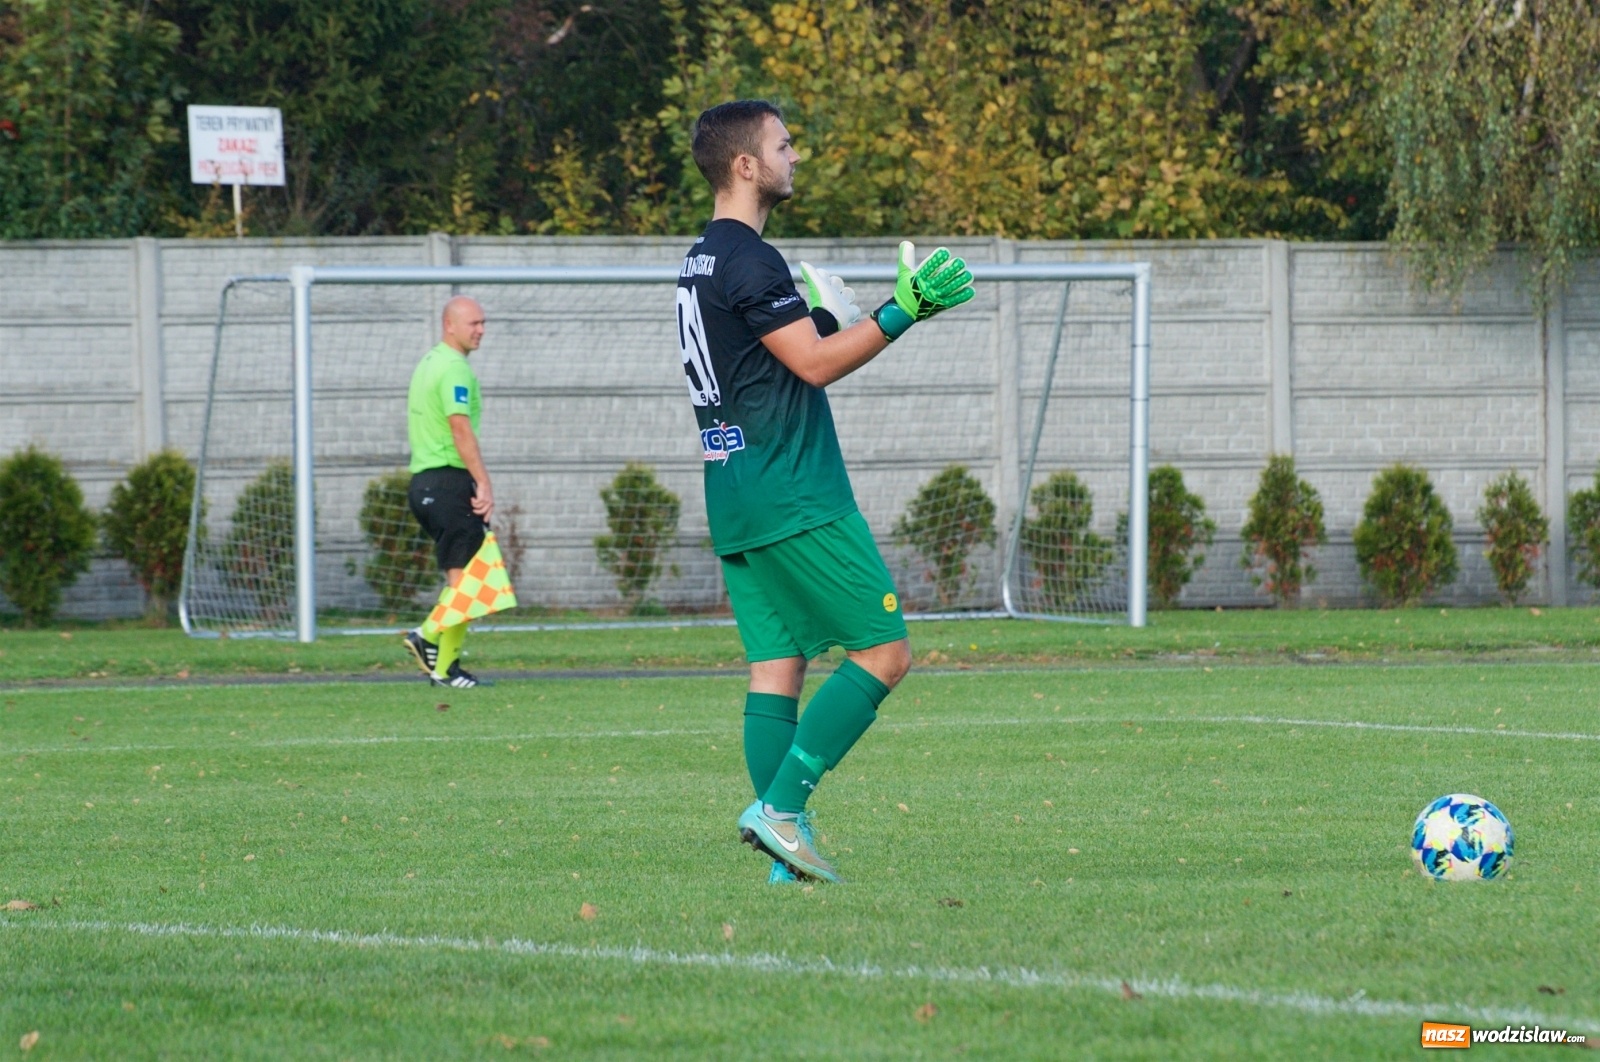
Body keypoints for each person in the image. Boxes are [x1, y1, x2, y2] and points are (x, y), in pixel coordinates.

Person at [676, 99, 975, 883]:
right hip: (793, 491)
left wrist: (822, 313)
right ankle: (780, 812)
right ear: (746, 165)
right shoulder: (748, 259)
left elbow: (768, 354)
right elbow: (811, 364)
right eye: (784, 144)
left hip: (736, 492)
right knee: (885, 652)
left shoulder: (701, 258)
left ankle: (785, 855)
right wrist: (901, 310)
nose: (794, 154)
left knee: (776, 667)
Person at [402, 295, 517, 688]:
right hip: (450, 482)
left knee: (464, 579)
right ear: (449, 325)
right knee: (472, 583)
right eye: (473, 323)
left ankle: (444, 668)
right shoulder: (454, 370)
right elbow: (459, 427)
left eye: (483, 322)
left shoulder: (431, 361)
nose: (481, 329)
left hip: (425, 483)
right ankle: (428, 636)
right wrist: (483, 481)